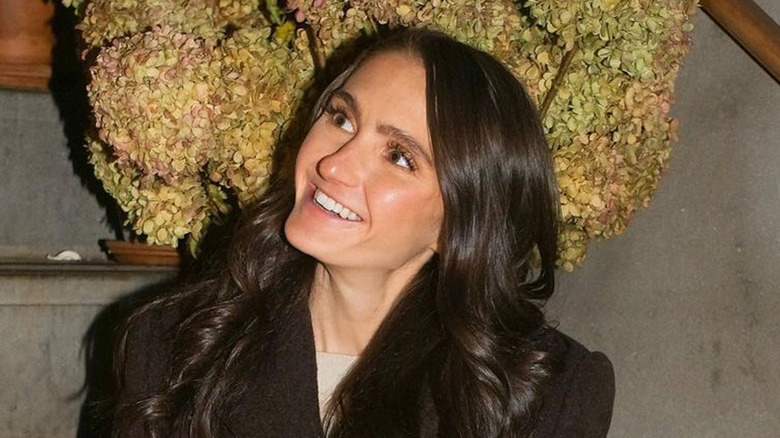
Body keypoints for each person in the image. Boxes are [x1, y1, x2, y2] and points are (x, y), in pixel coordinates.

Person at [109, 27, 615, 438]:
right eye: (342, 118)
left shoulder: (544, 395)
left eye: (399, 157)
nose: (333, 164)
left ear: (460, 224)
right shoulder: (174, 345)